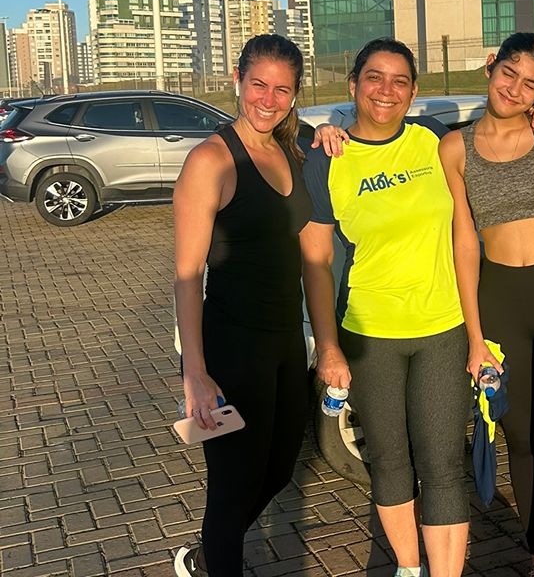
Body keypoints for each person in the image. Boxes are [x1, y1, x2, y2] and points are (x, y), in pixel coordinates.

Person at [301, 38, 470, 577]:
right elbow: (316, 262)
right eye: (374, 77)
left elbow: (498, 143)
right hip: (369, 332)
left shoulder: (434, 140)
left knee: (443, 465)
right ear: (353, 85)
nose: (386, 90)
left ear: (413, 92)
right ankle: (408, 568)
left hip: (443, 327)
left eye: (400, 81)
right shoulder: (326, 158)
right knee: (390, 461)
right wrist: (329, 347)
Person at [438, 33, 534, 577]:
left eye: (530, 84)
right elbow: (463, 241)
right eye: (508, 73)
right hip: (500, 299)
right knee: (519, 439)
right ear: (489, 67)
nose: (515, 89)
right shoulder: (454, 148)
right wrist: (475, 338)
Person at [172, 34, 313, 576]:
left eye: (282, 90)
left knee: (278, 471)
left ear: (295, 94)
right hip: (233, 345)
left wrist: (331, 132)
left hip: (285, 338)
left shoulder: (289, 148)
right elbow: (188, 277)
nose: (268, 100)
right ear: (237, 79)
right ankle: (215, 555)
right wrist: (195, 373)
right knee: (233, 489)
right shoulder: (211, 160)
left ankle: (208, 554)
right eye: (258, 85)